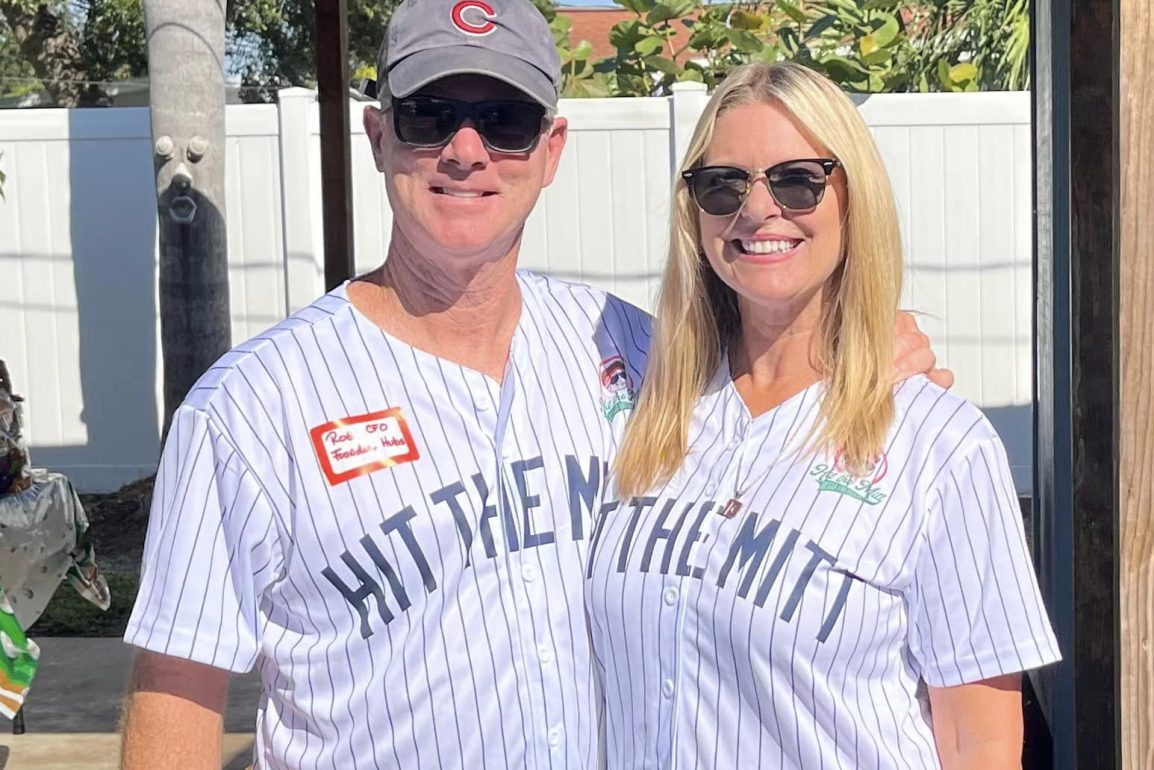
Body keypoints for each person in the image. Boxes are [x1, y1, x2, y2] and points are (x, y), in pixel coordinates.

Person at [118, 3, 949, 768]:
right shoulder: (250, 409)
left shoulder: (636, 354)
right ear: (377, 136)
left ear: (550, 151)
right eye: (429, 116)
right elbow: (176, 693)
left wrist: (874, 354)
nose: (467, 150)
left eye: (506, 121)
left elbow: (784, 366)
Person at [584, 60, 1060, 770]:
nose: (757, 210)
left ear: (852, 197)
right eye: (723, 185)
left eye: (796, 179)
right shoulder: (645, 408)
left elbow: (981, 743)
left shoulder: (942, 447)